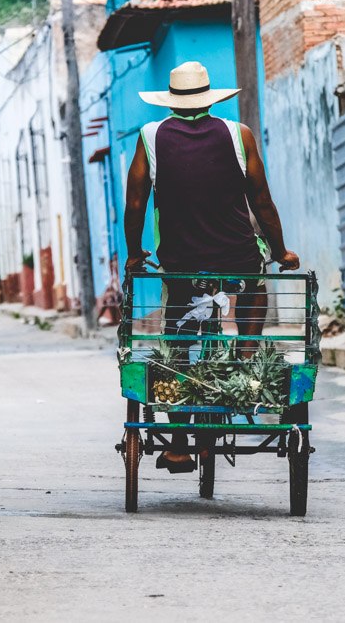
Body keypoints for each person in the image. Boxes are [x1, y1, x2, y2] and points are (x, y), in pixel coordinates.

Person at [124, 61, 300, 473]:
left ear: (171, 100)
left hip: (181, 263)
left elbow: (135, 203)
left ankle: (181, 443)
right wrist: (281, 251)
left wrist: (135, 253)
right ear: (209, 96)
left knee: (178, 346)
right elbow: (262, 201)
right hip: (237, 260)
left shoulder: (151, 136)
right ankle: (245, 350)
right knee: (255, 287)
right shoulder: (240, 136)